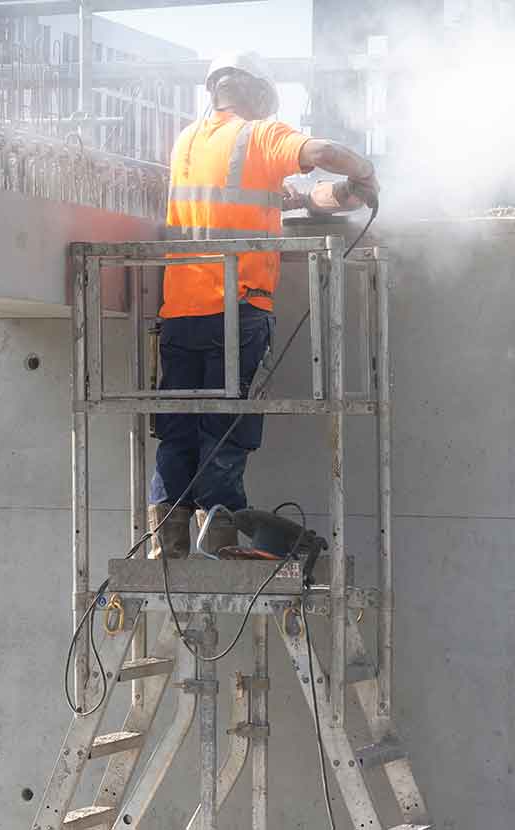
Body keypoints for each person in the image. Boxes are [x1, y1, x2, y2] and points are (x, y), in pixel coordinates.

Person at [149, 50, 379, 559]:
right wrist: (364, 172)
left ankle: (168, 536)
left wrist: (343, 195)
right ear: (255, 91)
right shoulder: (261, 135)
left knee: (179, 427)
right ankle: (221, 533)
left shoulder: (188, 142)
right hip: (237, 309)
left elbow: (286, 199)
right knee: (229, 425)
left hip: (180, 310)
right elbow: (324, 151)